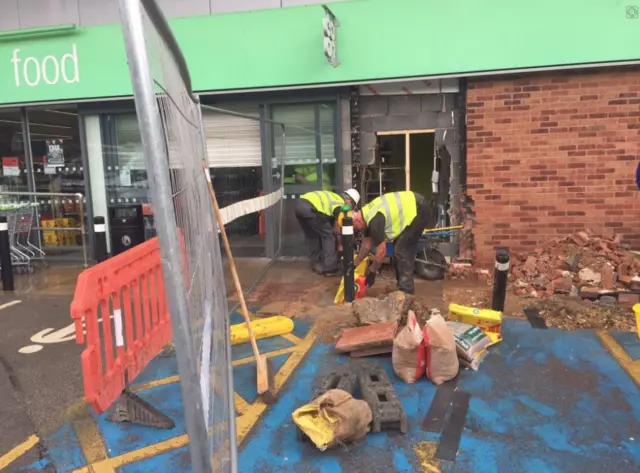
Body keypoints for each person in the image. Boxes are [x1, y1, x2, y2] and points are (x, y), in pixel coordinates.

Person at [351, 191, 435, 294]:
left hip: (418, 209)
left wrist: (372, 272)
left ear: (357, 221)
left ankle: (406, 290)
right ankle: (402, 286)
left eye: (355, 228)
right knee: (399, 248)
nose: (356, 231)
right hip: (413, 205)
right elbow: (367, 245)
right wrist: (354, 264)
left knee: (401, 249)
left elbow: (381, 251)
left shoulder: (374, 222)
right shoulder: (367, 215)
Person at [295, 188, 360, 275]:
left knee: (313, 236)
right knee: (329, 235)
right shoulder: (339, 202)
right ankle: (329, 267)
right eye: (352, 205)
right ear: (348, 199)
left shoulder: (333, 196)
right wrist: (339, 240)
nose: (350, 208)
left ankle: (316, 263)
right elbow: (338, 220)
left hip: (299, 206)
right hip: (310, 209)